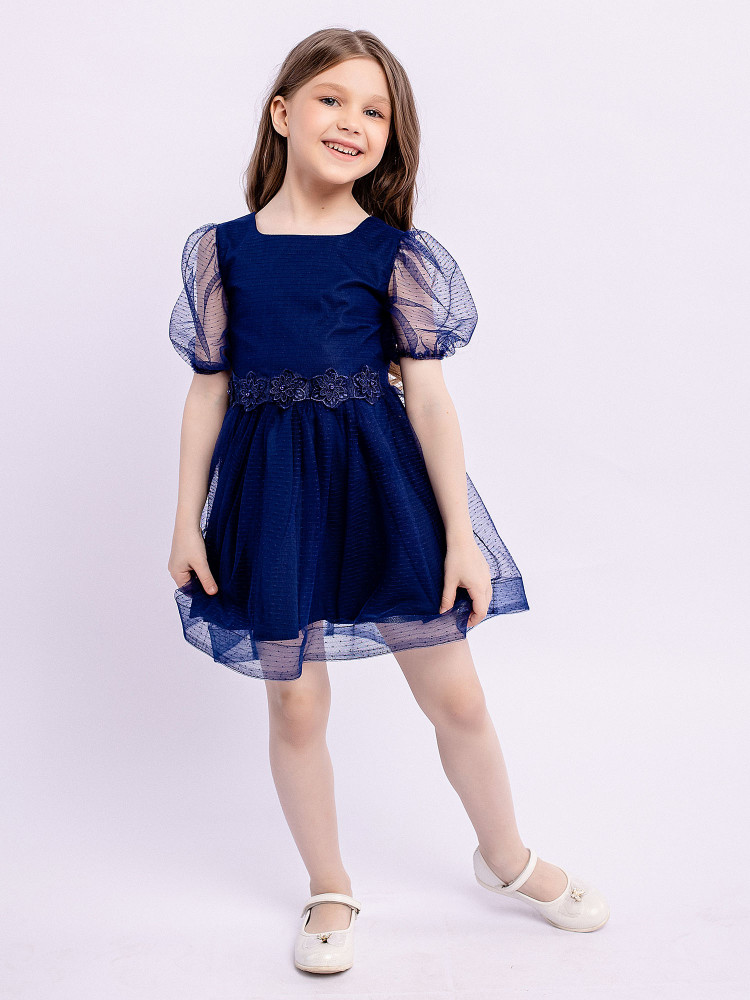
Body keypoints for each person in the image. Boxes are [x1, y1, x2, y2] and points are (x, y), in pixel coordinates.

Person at [167, 27, 609, 976]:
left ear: (390, 138)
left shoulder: (394, 252)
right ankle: (329, 886)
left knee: (458, 697)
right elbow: (207, 392)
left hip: (382, 493)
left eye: (376, 111)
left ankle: (506, 857)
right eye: (332, 99)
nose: (353, 122)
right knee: (296, 708)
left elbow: (432, 402)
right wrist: (184, 522)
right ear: (282, 113)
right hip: (274, 501)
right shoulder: (223, 252)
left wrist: (461, 536)